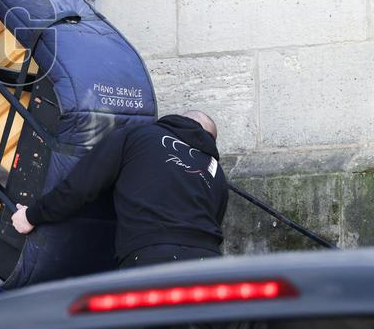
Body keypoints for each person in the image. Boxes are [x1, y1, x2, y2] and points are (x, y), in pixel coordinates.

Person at [12, 111, 227, 269]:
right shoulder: (217, 174)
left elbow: (80, 186)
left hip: (151, 257)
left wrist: (31, 216)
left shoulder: (138, 135)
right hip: (208, 265)